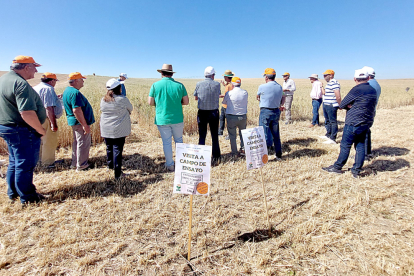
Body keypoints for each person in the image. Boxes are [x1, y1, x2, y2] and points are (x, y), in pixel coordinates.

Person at [0, 55, 46, 204]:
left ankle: (13, 192)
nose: (36, 71)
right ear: (27, 67)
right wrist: (40, 129)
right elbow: (26, 112)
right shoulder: (20, 83)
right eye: (34, 67)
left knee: (15, 161)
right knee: (25, 163)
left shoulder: (4, 79)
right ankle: (28, 197)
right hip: (22, 129)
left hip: (8, 127)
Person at [322, 69, 377, 178]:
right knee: (360, 145)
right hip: (366, 122)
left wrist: (350, 105)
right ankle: (356, 170)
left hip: (353, 121)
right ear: (367, 78)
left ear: (355, 79)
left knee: (345, 145)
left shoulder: (356, 90)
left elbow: (342, 104)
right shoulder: (372, 90)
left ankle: (337, 167)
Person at [148, 64, 189, 171]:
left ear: (161, 73)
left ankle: (170, 165)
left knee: (166, 142)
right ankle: (181, 163)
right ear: (171, 73)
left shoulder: (155, 85)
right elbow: (186, 102)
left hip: (162, 118)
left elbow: (150, 102)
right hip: (177, 118)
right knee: (179, 140)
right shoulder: (180, 85)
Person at [100, 79, 133, 179]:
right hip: (118, 129)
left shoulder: (103, 99)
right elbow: (130, 109)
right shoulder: (122, 99)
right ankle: (118, 174)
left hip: (106, 128)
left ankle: (110, 166)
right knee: (117, 150)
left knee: (109, 148)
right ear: (119, 88)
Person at [62, 72, 95, 171]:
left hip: (74, 122)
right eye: (81, 79)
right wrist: (85, 125)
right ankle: (82, 165)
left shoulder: (67, 90)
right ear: (76, 81)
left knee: (77, 143)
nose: (83, 81)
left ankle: (74, 163)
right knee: (83, 143)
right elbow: (76, 110)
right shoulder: (75, 93)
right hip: (79, 123)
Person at [33, 72, 63, 168]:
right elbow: (48, 107)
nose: (55, 83)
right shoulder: (48, 89)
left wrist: (55, 98)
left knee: (39, 141)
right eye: (55, 81)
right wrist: (53, 123)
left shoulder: (36, 88)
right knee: (49, 140)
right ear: (52, 81)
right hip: (46, 118)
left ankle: (38, 161)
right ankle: (48, 163)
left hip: (36, 118)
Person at [194, 66, 222, 162]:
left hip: (202, 112)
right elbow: (218, 95)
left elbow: (196, 98)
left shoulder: (198, 84)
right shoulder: (217, 84)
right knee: (214, 135)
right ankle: (216, 156)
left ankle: (201, 156)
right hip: (214, 112)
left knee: (202, 135)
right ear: (213, 75)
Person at [257, 68, 285, 160]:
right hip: (276, 111)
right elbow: (283, 97)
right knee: (276, 135)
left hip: (265, 111)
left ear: (266, 77)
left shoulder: (262, 86)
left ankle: (263, 157)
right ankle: (279, 155)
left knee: (263, 134)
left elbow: (258, 97)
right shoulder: (279, 87)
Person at [222, 77, 248, 156]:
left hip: (231, 116)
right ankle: (243, 149)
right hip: (242, 116)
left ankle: (234, 152)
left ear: (232, 84)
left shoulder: (228, 93)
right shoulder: (245, 92)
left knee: (232, 135)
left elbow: (224, 102)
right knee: (242, 133)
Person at [362, 66, 381, 159]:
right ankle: (367, 152)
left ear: (367, 75)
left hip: (365, 111)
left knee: (363, 132)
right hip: (371, 111)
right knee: (367, 131)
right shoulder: (376, 84)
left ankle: (364, 155)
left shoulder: (368, 85)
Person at [321, 69, 341, 144]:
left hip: (331, 104)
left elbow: (337, 95)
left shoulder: (334, 83)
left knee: (333, 121)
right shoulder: (329, 83)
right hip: (326, 103)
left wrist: (340, 104)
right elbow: (324, 93)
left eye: (326, 75)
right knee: (327, 120)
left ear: (331, 75)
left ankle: (333, 138)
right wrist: (321, 87)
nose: (324, 77)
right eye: (324, 75)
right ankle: (328, 135)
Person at [218, 70, 234, 138]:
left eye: (225, 76)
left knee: (225, 120)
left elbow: (226, 95)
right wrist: (224, 84)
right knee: (222, 119)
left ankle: (227, 134)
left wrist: (218, 95)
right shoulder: (230, 84)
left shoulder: (229, 85)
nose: (224, 77)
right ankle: (220, 132)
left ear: (227, 77)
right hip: (226, 105)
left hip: (226, 106)